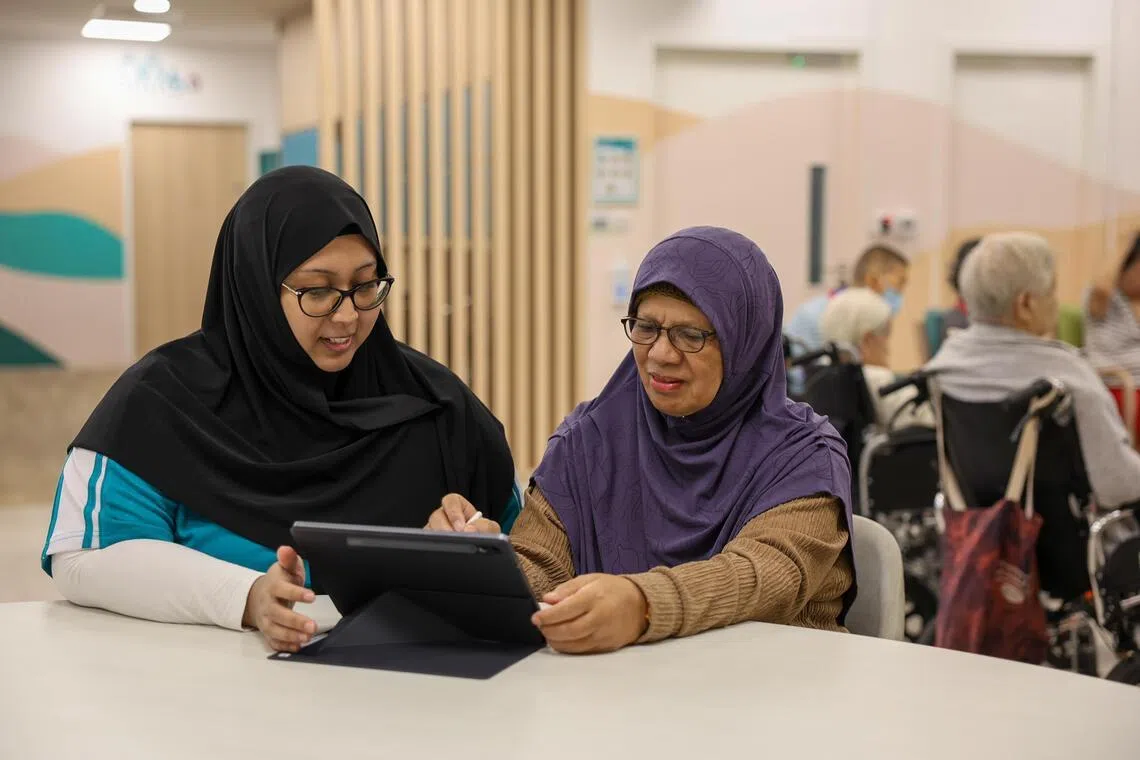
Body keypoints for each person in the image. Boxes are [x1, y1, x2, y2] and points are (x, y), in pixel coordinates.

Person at [41, 166, 520, 652]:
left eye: (366, 285)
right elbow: (83, 558)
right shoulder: (164, 400)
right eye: (317, 291)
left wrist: (479, 552)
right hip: (206, 709)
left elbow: (535, 555)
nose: (348, 315)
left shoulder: (436, 407)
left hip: (404, 707)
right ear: (255, 288)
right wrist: (246, 597)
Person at [429, 226, 856, 654]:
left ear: (744, 342)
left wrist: (642, 605)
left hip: (775, 698)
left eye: (691, 335)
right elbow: (544, 568)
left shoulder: (803, 456)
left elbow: (761, 577)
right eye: (646, 326)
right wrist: (481, 563)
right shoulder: (590, 442)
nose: (660, 354)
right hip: (620, 704)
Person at [925, 232, 1140, 510]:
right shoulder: (1068, 377)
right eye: (1052, 291)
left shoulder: (943, 365)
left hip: (974, 533)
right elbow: (1118, 485)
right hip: (1063, 544)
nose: (1056, 302)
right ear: (1025, 305)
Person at [819, 287, 934, 430]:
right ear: (868, 340)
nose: (888, 347)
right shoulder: (877, 380)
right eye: (886, 335)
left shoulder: (820, 376)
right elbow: (932, 423)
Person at [784, 244, 910, 352]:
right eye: (899, 284)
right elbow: (795, 376)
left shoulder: (866, 322)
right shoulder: (813, 316)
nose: (900, 293)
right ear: (873, 281)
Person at [1084, 231, 1140, 383]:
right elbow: (1101, 286)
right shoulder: (1106, 298)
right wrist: (1126, 244)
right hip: (1117, 383)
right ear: (1125, 267)